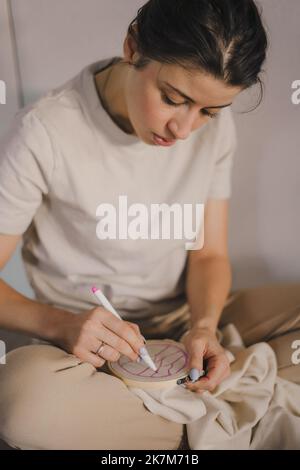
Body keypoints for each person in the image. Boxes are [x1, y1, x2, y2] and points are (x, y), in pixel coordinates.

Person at [0, 0, 286, 450]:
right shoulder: (44, 133)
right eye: (173, 99)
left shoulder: (213, 130)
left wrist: (206, 327)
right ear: (133, 48)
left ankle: (157, 416)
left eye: (208, 112)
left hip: (180, 321)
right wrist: (60, 325)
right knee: (23, 406)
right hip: (82, 344)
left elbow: (209, 255)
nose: (185, 129)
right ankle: (209, 416)